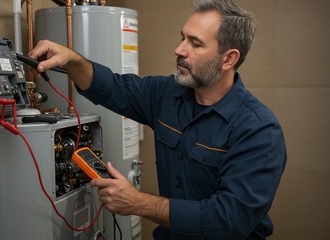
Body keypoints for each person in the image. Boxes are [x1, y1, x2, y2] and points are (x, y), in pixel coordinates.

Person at [28, 0, 286, 239]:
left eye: (195, 44)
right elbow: (113, 87)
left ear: (228, 58)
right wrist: (72, 60)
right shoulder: (166, 94)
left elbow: (228, 219)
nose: (179, 50)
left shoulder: (259, 129)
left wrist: (137, 202)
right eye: (182, 37)